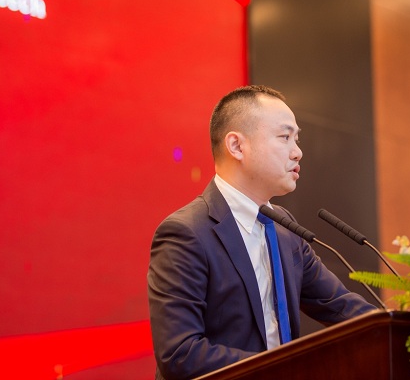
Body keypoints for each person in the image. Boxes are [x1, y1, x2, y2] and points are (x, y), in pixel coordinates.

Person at [147, 85, 375, 380]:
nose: (298, 152)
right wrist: (286, 369)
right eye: (285, 137)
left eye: (297, 139)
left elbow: (340, 306)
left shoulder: (284, 227)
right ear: (237, 146)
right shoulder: (186, 233)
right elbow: (180, 354)